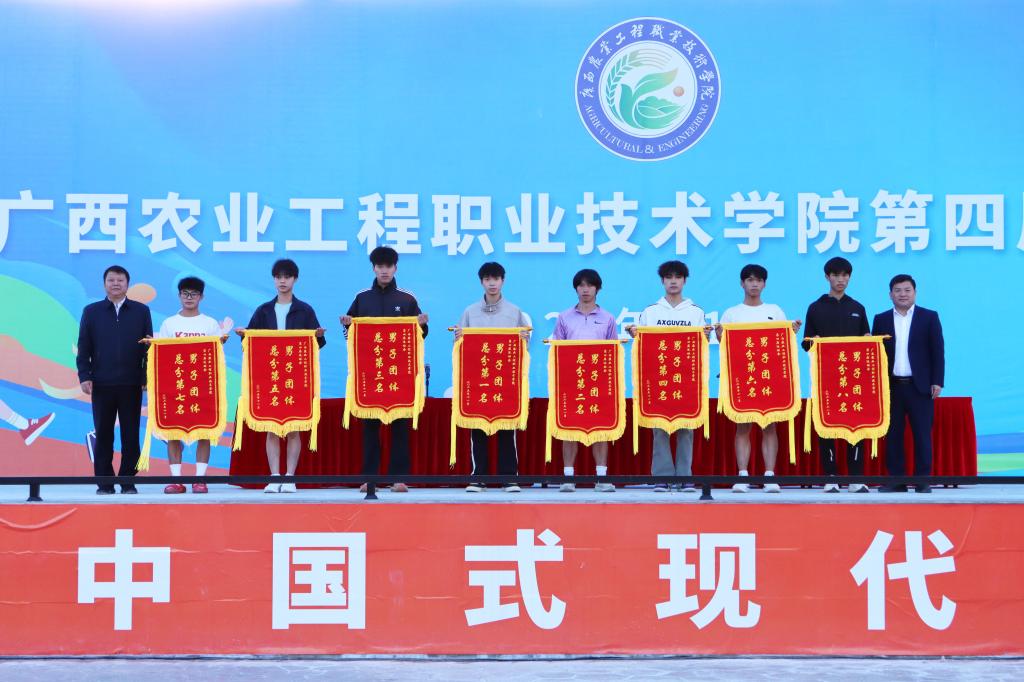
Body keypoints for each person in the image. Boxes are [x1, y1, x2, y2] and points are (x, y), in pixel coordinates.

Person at [341, 246, 429, 494]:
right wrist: (347, 324)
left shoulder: (407, 299)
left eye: (388, 266)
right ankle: (370, 478)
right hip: (371, 375)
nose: (384, 271)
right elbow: (351, 337)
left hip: (399, 375)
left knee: (400, 427)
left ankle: (398, 478)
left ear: (395, 268)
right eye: (380, 266)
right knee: (370, 429)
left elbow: (419, 336)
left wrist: (422, 325)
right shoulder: (362, 298)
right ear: (373, 268)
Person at [236, 259, 326, 493]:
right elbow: (250, 343)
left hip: (295, 377)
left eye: (287, 277)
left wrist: (317, 336)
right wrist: (243, 335)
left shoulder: (305, 310)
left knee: (294, 427)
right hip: (271, 376)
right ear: (274, 280)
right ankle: (275, 476)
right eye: (278, 277)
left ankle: (290, 478)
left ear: (295, 279)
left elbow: (317, 345)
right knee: (272, 427)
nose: (282, 281)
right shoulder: (264, 310)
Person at [715, 264, 800, 494]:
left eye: (759, 280)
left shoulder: (775, 310)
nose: (754, 284)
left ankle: (769, 475)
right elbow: (725, 346)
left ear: (764, 284)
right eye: (750, 280)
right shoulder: (731, 313)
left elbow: (782, 343)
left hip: (768, 377)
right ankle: (743, 475)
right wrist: (720, 336)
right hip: (742, 377)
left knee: (769, 426)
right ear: (742, 283)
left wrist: (791, 331)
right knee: (743, 427)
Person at [626, 260, 708, 493]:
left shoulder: (695, 312)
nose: (673, 281)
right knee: (659, 428)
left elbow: (701, 345)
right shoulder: (651, 312)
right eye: (669, 277)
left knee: (686, 427)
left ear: (684, 281)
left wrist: (706, 334)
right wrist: (633, 333)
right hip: (658, 377)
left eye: (678, 277)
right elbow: (642, 343)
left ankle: (684, 477)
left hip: (686, 378)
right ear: (662, 281)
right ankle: (662, 477)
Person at [454, 262, 532, 493]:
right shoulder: (470, 312)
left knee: (507, 428)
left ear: (503, 281)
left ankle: (509, 478)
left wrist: (523, 338)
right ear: (481, 282)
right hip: (478, 379)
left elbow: (524, 346)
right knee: (478, 427)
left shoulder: (514, 312)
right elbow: (460, 346)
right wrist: (459, 337)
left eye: (496, 278)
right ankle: (479, 477)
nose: (492, 283)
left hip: (505, 380)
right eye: (487, 279)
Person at [77, 265, 153, 494]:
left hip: (131, 383)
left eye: (120, 280)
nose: (116, 284)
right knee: (103, 434)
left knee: (130, 435)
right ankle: (105, 482)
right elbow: (84, 346)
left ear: (127, 284)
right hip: (102, 383)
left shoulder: (141, 311)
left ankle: (128, 481)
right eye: (111, 280)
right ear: (104, 284)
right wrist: (85, 375)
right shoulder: (92, 311)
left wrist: (145, 377)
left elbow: (149, 348)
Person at [148, 277, 227, 494]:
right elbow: (162, 356)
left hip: (202, 386)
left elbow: (217, 358)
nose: (189, 297)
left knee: (205, 431)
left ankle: (200, 479)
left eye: (194, 294)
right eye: (185, 293)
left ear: (202, 297)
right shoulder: (169, 323)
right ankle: (177, 480)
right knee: (173, 431)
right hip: (176, 385)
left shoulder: (210, 324)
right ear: (179, 295)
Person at [802, 257, 871, 493]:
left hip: (854, 379)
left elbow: (866, 340)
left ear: (849, 278)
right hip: (826, 378)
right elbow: (806, 343)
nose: (840, 280)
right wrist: (813, 341)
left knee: (856, 427)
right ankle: (831, 476)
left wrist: (868, 341)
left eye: (844, 275)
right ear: (827, 277)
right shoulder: (815, 307)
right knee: (826, 427)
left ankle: (856, 477)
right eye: (835, 275)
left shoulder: (858, 308)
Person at [872, 274, 945, 494]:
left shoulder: (929, 317)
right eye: (897, 290)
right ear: (890, 294)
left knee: (922, 435)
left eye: (907, 290)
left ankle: (923, 480)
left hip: (920, 386)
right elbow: (875, 355)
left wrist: (937, 381)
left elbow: (937, 351)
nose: (902, 294)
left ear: (915, 292)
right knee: (893, 436)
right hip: (891, 386)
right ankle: (897, 481)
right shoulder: (881, 319)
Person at [552, 268, 618, 493]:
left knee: (601, 429)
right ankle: (568, 478)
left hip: (599, 382)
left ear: (598, 288)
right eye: (581, 285)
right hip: (572, 382)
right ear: (576, 289)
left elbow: (613, 352)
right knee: (569, 428)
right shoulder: (564, 317)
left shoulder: (608, 318)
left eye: (590, 285)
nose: (585, 289)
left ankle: (601, 477)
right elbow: (557, 350)